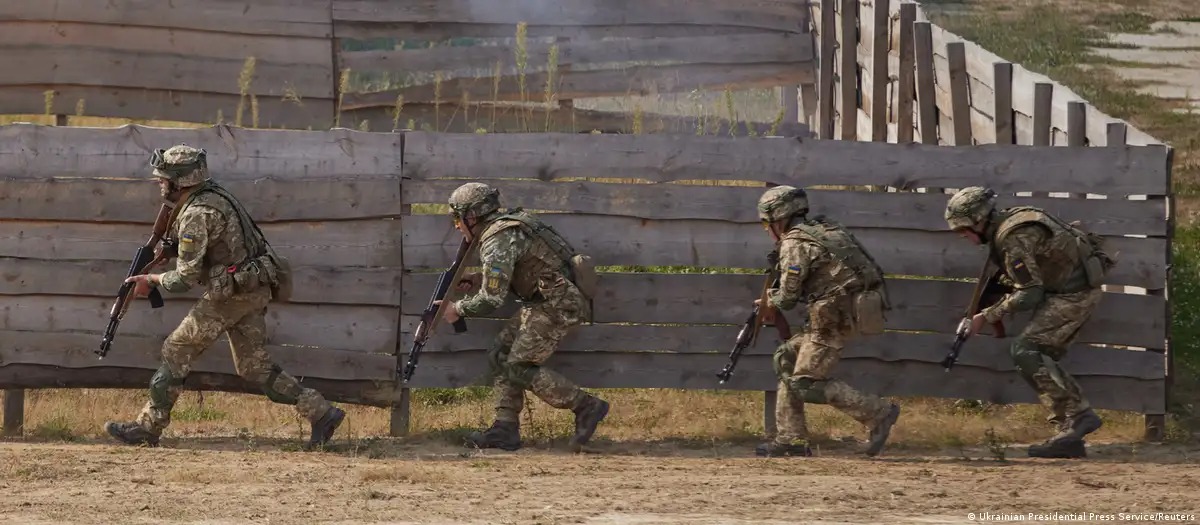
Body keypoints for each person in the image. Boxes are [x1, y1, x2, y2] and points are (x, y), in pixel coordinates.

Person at [104, 145, 345, 450]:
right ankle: (322, 413)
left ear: (180, 181)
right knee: (253, 366)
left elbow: (184, 279)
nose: (159, 183)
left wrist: (150, 279)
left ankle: (148, 427)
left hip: (232, 294)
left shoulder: (196, 213)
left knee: (177, 349)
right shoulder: (213, 194)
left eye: (163, 178)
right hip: (251, 287)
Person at [436, 182, 609, 453]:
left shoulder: (497, 238)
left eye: (457, 218)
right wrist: (478, 278)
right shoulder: (507, 227)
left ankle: (586, 405)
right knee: (501, 354)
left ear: (471, 216)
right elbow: (518, 271)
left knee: (518, 366)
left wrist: (457, 309)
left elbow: (492, 300)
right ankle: (505, 429)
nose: (456, 225)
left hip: (556, 305)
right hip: (544, 301)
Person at [944, 186, 1113, 458]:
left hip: (1074, 293)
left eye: (963, 229)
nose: (962, 235)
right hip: (1064, 289)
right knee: (1035, 352)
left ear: (979, 220)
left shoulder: (1012, 237)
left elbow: (1030, 293)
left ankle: (1077, 418)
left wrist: (984, 317)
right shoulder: (1008, 225)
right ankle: (1071, 432)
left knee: (1027, 350)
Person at [754, 185, 901, 457]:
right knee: (787, 358)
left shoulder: (795, 243)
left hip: (832, 318)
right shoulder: (825, 229)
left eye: (766, 222)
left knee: (805, 382)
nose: (765, 228)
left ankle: (878, 412)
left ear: (779, 218)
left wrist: (768, 302)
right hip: (845, 310)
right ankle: (791, 439)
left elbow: (787, 298)